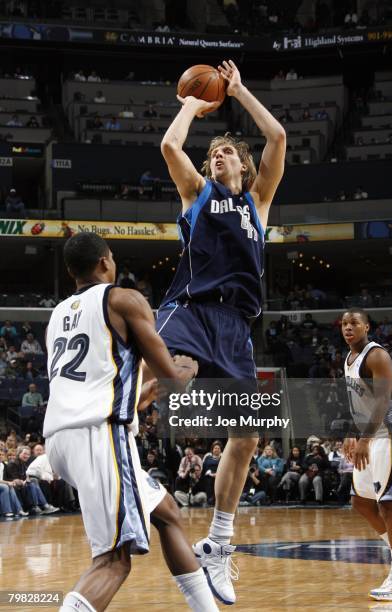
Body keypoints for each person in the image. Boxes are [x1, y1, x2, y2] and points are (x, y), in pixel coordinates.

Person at [156, 59, 286, 604]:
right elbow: (169, 147)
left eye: (227, 151)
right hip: (191, 308)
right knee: (169, 377)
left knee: (247, 436)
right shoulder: (198, 195)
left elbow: (277, 134)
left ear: (244, 164)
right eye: (213, 153)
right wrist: (192, 106)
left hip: (235, 326)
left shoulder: (257, 203)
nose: (217, 155)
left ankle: (219, 542)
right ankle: (106, 434)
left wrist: (240, 92)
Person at [43, 232, 219, 612]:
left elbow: (116, 393)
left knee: (168, 513)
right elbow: (172, 376)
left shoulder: (57, 315)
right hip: (99, 436)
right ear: (106, 261)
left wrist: (153, 388)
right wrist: (184, 370)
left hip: (62, 439)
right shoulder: (123, 299)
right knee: (113, 561)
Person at [342, 308, 392, 601]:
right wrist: (350, 432)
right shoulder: (348, 359)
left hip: (389, 435)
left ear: (366, 327)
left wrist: (366, 438)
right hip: (370, 435)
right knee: (361, 501)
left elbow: (383, 400)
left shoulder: (377, 355)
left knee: (389, 505)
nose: (348, 327)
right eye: (344, 323)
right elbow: (358, 401)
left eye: (354, 322)